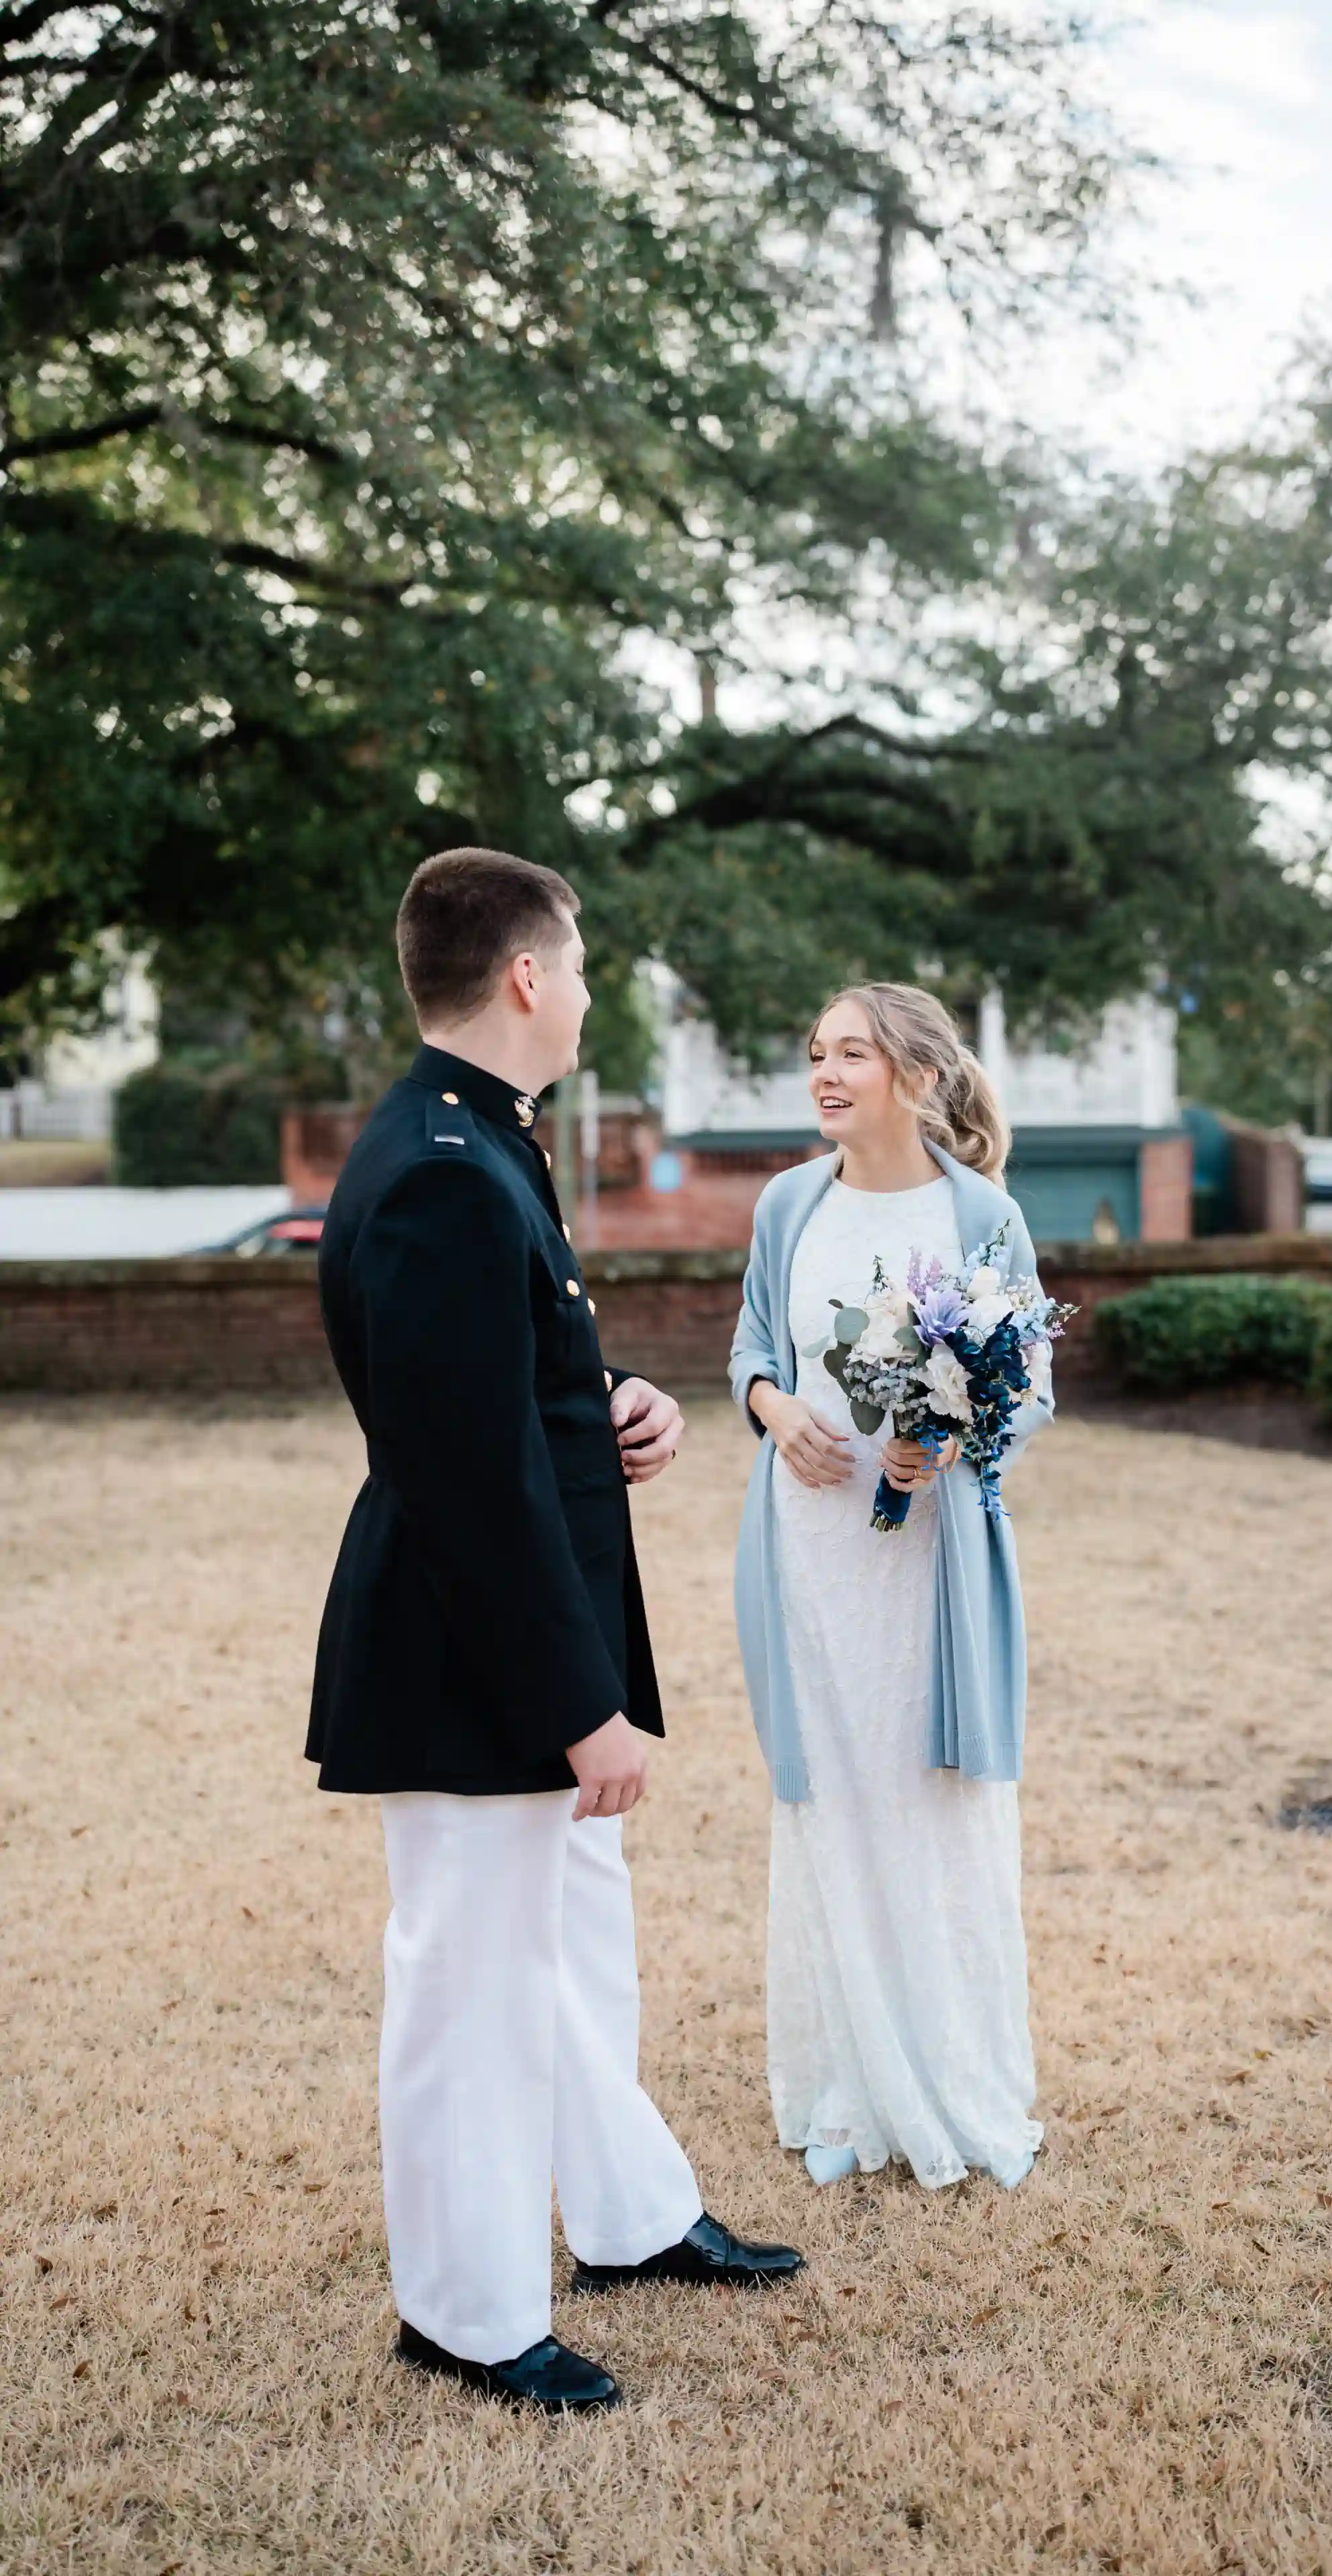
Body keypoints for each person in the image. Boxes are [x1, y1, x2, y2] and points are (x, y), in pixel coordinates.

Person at [309, 847, 802, 2418]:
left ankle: (630, 2217)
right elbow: (456, 1479)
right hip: (476, 1664)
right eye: (579, 967)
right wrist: (575, 1706)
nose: (587, 995)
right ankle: (460, 2314)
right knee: (473, 1982)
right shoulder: (448, 1164)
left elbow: (492, 1395)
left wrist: (610, 1410)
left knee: (572, 1946)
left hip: (530, 1644)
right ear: (525, 977)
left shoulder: (472, 1141)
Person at [729, 982, 1049, 2192]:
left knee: (928, 1792)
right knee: (836, 1795)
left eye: (850, 1053)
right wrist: (774, 1414)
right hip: (812, 1555)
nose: (824, 1072)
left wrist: (956, 1440)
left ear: (914, 1075)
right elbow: (756, 1343)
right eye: (816, 1052)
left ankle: (947, 2072)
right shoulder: (784, 1205)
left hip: (928, 1563)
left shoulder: (983, 1216)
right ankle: (846, 2082)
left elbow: (1028, 1387)